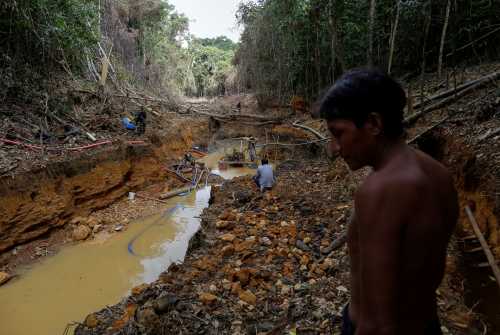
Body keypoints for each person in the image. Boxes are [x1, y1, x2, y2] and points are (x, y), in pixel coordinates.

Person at [319, 69, 458, 335]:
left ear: (373, 124)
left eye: (338, 134)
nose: (334, 149)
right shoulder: (438, 173)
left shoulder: (380, 190)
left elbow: (378, 323)